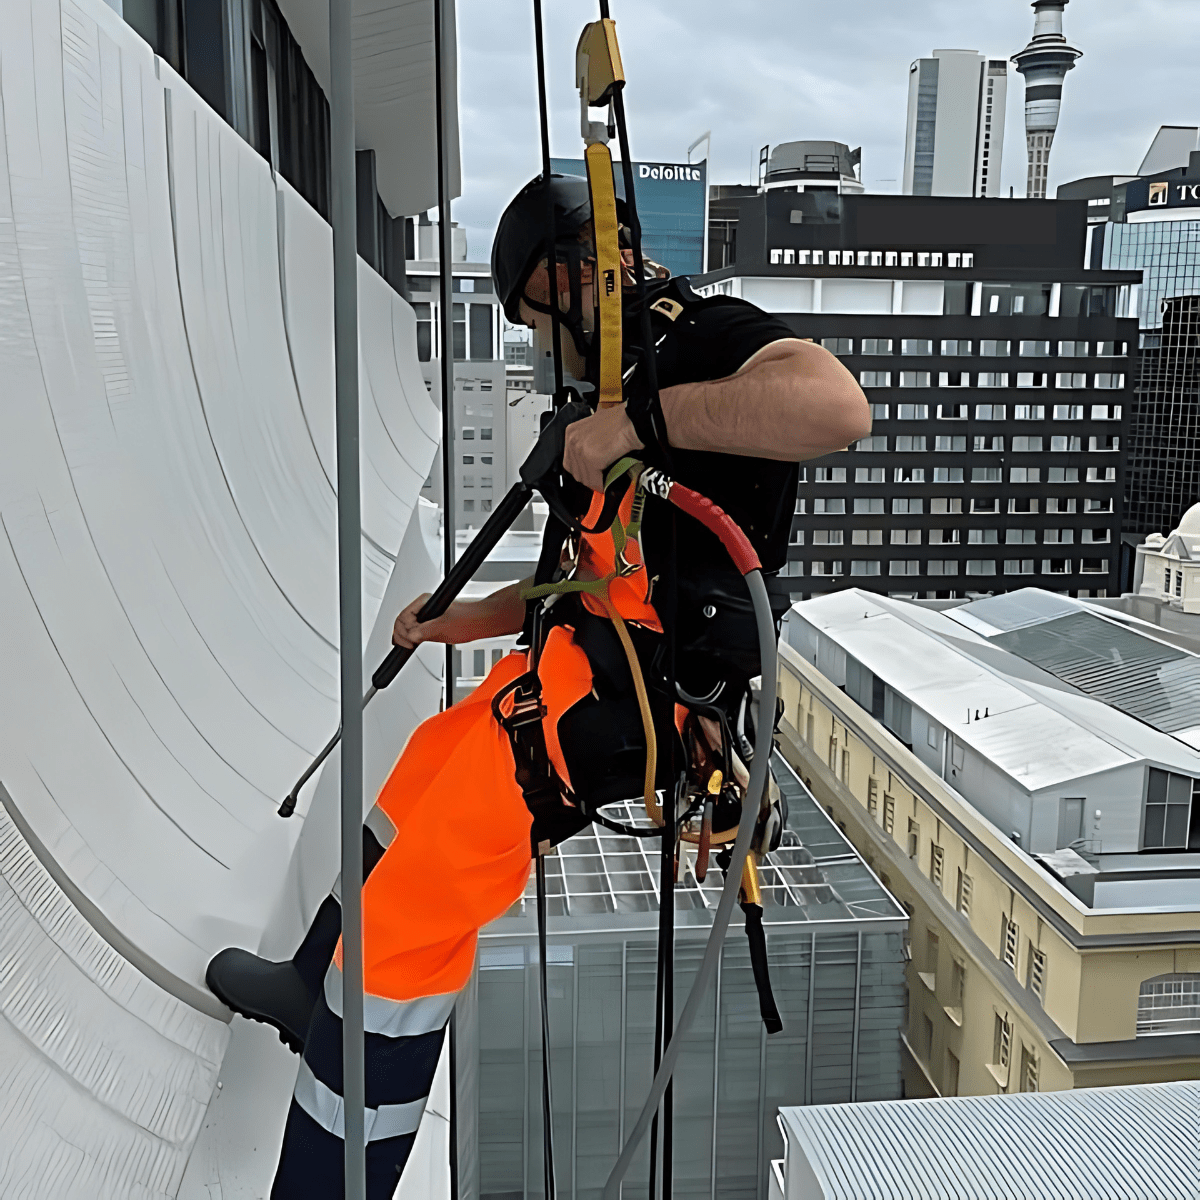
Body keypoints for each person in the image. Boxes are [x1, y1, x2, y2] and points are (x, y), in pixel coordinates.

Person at [207, 173, 869, 1198]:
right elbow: (579, 578)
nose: (538, 342)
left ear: (565, 276)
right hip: (570, 667)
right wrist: (453, 617)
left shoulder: (699, 336)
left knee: (413, 919)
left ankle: (330, 1180)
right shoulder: (601, 388)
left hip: (631, 703)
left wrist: (635, 424)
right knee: (419, 769)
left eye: (532, 317)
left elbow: (834, 407)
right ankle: (310, 987)